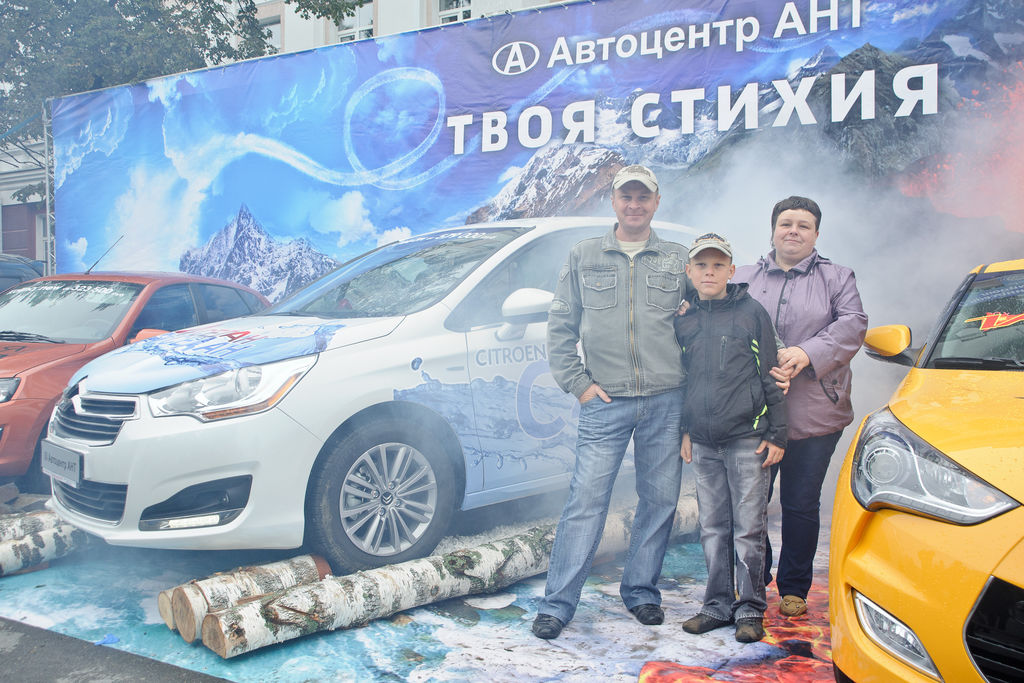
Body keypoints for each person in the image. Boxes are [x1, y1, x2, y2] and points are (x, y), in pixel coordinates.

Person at [532, 164, 693, 640]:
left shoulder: (678, 259)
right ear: (614, 201)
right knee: (586, 501)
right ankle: (557, 605)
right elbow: (560, 326)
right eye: (627, 196)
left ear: (656, 202)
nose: (634, 205)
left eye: (644, 197)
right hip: (606, 400)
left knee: (660, 500)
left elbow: (702, 322)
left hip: (667, 399)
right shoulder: (584, 255)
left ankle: (641, 592)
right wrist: (578, 384)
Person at [733, 196, 867, 618]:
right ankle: (756, 576)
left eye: (803, 225)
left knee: (800, 503)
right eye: (786, 223)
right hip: (755, 413)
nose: (793, 230)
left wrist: (806, 353)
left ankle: (794, 586)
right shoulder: (744, 277)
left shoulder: (837, 277)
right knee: (751, 502)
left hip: (816, 412)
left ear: (816, 234)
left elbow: (852, 325)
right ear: (773, 230)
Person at [674, 233, 787, 643]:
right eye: (702, 265)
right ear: (690, 271)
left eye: (718, 265)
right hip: (703, 441)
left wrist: (779, 433)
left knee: (748, 528)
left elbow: (771, 372)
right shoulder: (683, 319)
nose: (710, 272)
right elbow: (682, 380)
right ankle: (717, 605)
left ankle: (751, 609)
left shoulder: (751, 313)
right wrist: (685, 430)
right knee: (712, 527)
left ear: (731, 270)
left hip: (746, 438)